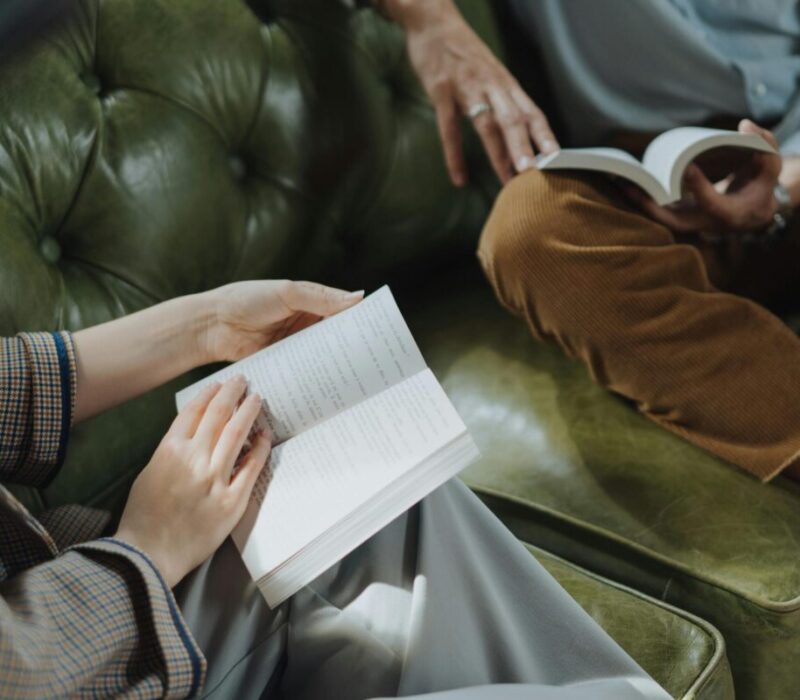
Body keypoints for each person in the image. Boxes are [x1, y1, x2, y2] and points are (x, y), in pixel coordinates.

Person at [0, 279, 670, 699]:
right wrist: (148, 548)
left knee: (372, 494)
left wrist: (207, 324)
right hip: (77, 647)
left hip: (79, 595)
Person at [476, 0, 800, 482]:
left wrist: (783, 186)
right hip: (647, 200)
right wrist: (429, 22)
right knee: (531, 225)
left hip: (791, 158)